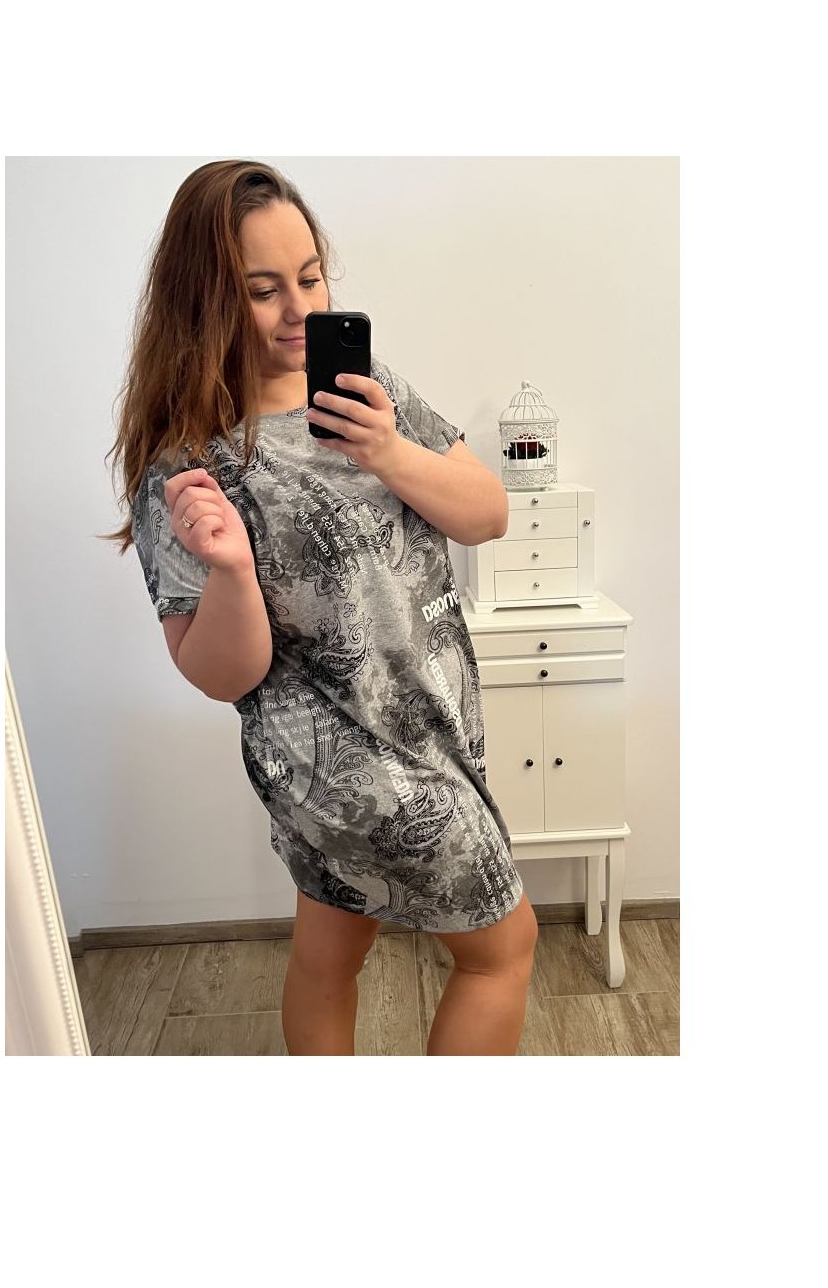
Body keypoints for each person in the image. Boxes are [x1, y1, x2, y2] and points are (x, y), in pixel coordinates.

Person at [106, 159, 538, 1055]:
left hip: (431, 729)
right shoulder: (188, 461)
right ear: (204, 301)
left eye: (311, 278)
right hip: (353, 770)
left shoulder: (365, 389)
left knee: (330, 949)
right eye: (264, 291)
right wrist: (231, 568)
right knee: (504, 949)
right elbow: (223, 673)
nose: (300, 309)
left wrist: (388, 451)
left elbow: (488, 513)